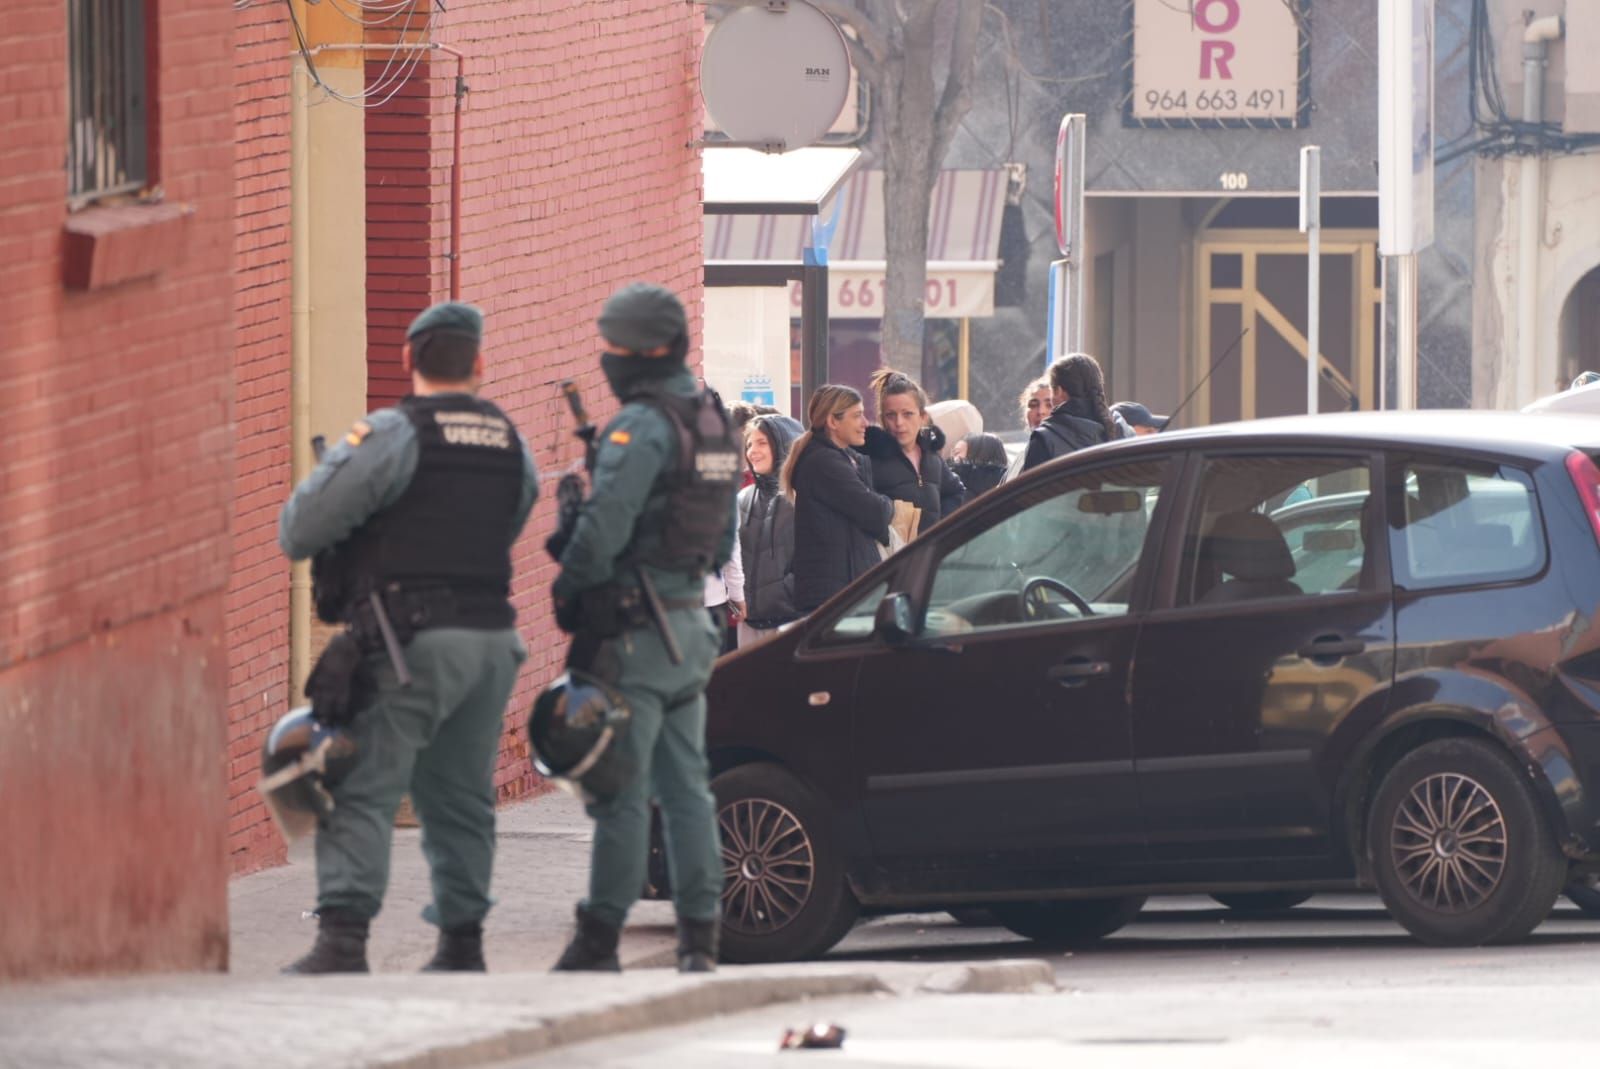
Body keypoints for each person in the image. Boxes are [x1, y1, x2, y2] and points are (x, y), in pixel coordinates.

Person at [275, 300, 539, 974]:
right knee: (461, 796)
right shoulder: (510, 441)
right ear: (480, 363)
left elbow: (299, 531)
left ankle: (343, 941)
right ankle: (461, 943)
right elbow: (509, 520)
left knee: (363, 784)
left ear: (406, 360)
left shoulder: (393, 434)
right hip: (492, 639)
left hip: (410, 641)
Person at [548, 283, 737, 974]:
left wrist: (569, 583)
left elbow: (603, 533)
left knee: (621, 792)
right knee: (687, 789)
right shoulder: (713, 420)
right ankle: (700, 940)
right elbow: (722, 539)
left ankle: (598, 938)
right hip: (690, 623)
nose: (607, 358)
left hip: (637, 630)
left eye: (614, 347)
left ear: (646, 350)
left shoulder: (642, 426)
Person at [784, 385, 894, 612]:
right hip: (836, 595)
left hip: (842, 588)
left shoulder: (840, 458)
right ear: (833, 421)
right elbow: (876, 513)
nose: (865, 423)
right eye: (857, 415)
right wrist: (888, 503)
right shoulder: (825, 462)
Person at [859, 367, 966, 530]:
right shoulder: (870, 459)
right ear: (882, 419)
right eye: (891, 415)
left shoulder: (931, 456)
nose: (899, 423)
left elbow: (955, 492)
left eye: (907, 414)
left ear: (923, 417)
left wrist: (941, 528)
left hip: (933, 545)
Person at [737, 413, 804, 646]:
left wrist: (785, 593)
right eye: (749, 444)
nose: (752, 451)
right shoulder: (743, 498)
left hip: (792, 621)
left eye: (762, 443)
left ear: (783, 444)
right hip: (748, 622)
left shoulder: (803, 497)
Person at [1021, 353, 1121, 473]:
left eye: (1051, 392)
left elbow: (1033, 484)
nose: (1041, 411)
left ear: (1058, 391)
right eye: (1033, 404)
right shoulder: (1121, 432)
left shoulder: (1045, 439)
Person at [949, 432, 1008, 502]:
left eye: (956, 452)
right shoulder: (1010, 486)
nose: (953, 458)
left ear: (977, 455)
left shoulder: (958, 492)